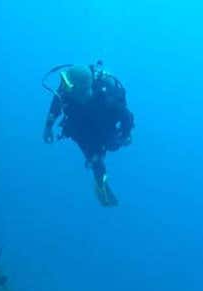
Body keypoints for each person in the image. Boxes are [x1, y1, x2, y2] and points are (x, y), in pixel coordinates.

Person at [42, 61, 135, 207]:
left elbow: (127, 117)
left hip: (104, 127)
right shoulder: (68, 90)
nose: (63, 87)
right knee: (94, 159)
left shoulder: (108, 98)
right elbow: (57, 101)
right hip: (80, 128)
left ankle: (100, 179)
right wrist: (48, 126)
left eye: (66, 84)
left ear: (81, 89)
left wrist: (126, 135)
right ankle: (100, 182)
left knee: (111, 145)